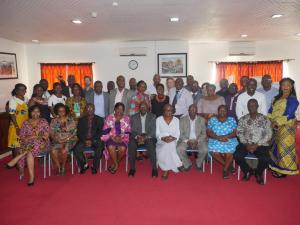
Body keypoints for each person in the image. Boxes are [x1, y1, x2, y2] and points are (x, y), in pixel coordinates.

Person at [6, 105, 50, 186]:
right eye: (33, 111)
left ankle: (29, 174)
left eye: (38, 111)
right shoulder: (25, 122)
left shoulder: (44, 121)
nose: (35, 113)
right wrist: (35, 136)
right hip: (28, 144)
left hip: (42, 144)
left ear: (40, 113)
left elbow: (46, 136)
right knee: (28, 152)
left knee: (34, 144)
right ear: (30, 112)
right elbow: (22, 137)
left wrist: (32, 137)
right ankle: (30, 177)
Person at [234, 99, 273, 185]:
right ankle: (248, 171)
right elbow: (239, 132)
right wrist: (246, 144)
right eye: (250, 105)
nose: (252, 107)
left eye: (254, 105)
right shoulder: (243, 119)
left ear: (257, 106)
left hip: (260, 144)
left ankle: (258, 173)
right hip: (245, 144)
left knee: (266, 158)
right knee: (237, 155)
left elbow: (269, 134)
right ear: (247, 107)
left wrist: (257, 145)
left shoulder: (265, 119)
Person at [268, 78, 299, 177]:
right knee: (274, 147)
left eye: (288, 85)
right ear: (280, 87)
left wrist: (276, 122)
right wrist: (270, 121)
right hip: (274, 125)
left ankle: (285, 170)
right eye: (283, 85)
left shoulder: (293, 100)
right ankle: (276, 167)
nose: (285, 87)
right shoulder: (276, 98)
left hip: (287, 126)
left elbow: (288, 114)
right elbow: (270, 110)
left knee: (284, 148)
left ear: (291, 87)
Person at [207, 105, 238, 179]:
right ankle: (228, 166)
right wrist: (218, 137)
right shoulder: (212, 120)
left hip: (229, 139)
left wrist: (226, 137)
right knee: (213, 151)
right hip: (215, 139)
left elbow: (235, 132)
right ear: (218, 112)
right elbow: (209, 131)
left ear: (227, 112)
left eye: (224, 110)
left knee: (230, 152)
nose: (222, 112)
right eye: (220, 110)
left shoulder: (232, 120)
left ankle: (225, 170)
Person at [128, 102, 157, 177]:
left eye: (144, 107)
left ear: (148, 108)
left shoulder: (153, 116)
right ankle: (132, 169)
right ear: (139, 108)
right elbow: (132, 130)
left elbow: (153, 131)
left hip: (148, 136)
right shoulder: (134, 117)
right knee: (131, 144)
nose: (143, 108)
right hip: (137, 136)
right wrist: (138, 137)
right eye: (141, 107)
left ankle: (154, 169)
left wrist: (145, 138)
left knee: (151, 144)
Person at [73, 103, 104, 174]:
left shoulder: (99, 119)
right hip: (84, 140)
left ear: (94, 109)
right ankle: (84, 164)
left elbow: (100, 132)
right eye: (88, 108)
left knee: (100, 146)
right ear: (86, 110)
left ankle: (94, 166)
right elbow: (79, 132)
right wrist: (85, 140)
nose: (89, 110)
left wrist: (92, 140)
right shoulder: (81, 120)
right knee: (76, 149)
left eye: (91, 108)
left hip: (95, 139)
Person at [101, 103, 131, 174]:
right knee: (111, 146)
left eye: (121, 109)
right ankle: (116, 164)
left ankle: (115, 164)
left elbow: (129, 132)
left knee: (123, 148)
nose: (119, 111)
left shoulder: (127, 119)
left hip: (122, 139)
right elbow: (105, 131)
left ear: (123, 110)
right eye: (118, 108)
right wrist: (112, 137)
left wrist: (121, 138)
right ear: (114, 109)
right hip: (111, 138)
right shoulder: (109, 117)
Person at [156, 104, 184, 179]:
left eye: (171, 110)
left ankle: (166, 169)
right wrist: (163, 138)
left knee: (169, 145)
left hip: (173, 141)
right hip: (161, 141)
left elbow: (178, 133)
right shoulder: (159, 119)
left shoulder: (176, 120)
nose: (169, 112)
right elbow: (157, 133)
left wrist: (173, 138)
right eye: (167, 110)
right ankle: (178, 163)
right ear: (163, 111)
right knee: (167, 145)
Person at [176, 104, 208, 171]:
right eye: (191, 110)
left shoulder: (202, 120)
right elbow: (180, 133)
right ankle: (187, 163)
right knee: (179, 149)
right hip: (186, 140)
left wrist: (197, 141)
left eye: (194, 109)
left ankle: (198, 163)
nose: (193, 111)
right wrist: (187, 141)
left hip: (198, 140)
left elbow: (204, 134)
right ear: (188, 111)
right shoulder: (182, 120)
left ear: (197, 111)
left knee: (205, 149)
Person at [50, 103, 77, 176]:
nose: (61, 113)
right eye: (59, 111)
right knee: (53, 150)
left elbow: (74, 132)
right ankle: (59, 167)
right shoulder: (54, 121)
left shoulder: (70, 120)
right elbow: (51, 133)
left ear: (66, 111)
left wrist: (66, 139)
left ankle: (63, 166)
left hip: (70, 140)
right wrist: (57, 140)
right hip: (57, 140)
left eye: (63, 111)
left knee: (64, 150)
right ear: (56, 112)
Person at [7, 83, 29, 172]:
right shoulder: (13, 100)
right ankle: (18, 164)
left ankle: (23, 162)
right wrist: (17, 127)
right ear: (16, 90)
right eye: (21, 89)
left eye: (24, 89)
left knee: (24, 145)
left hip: (25, 126)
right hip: (16, 126)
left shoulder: (26, 99)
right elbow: (12, 115)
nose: (23, 91)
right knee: (17, 146)